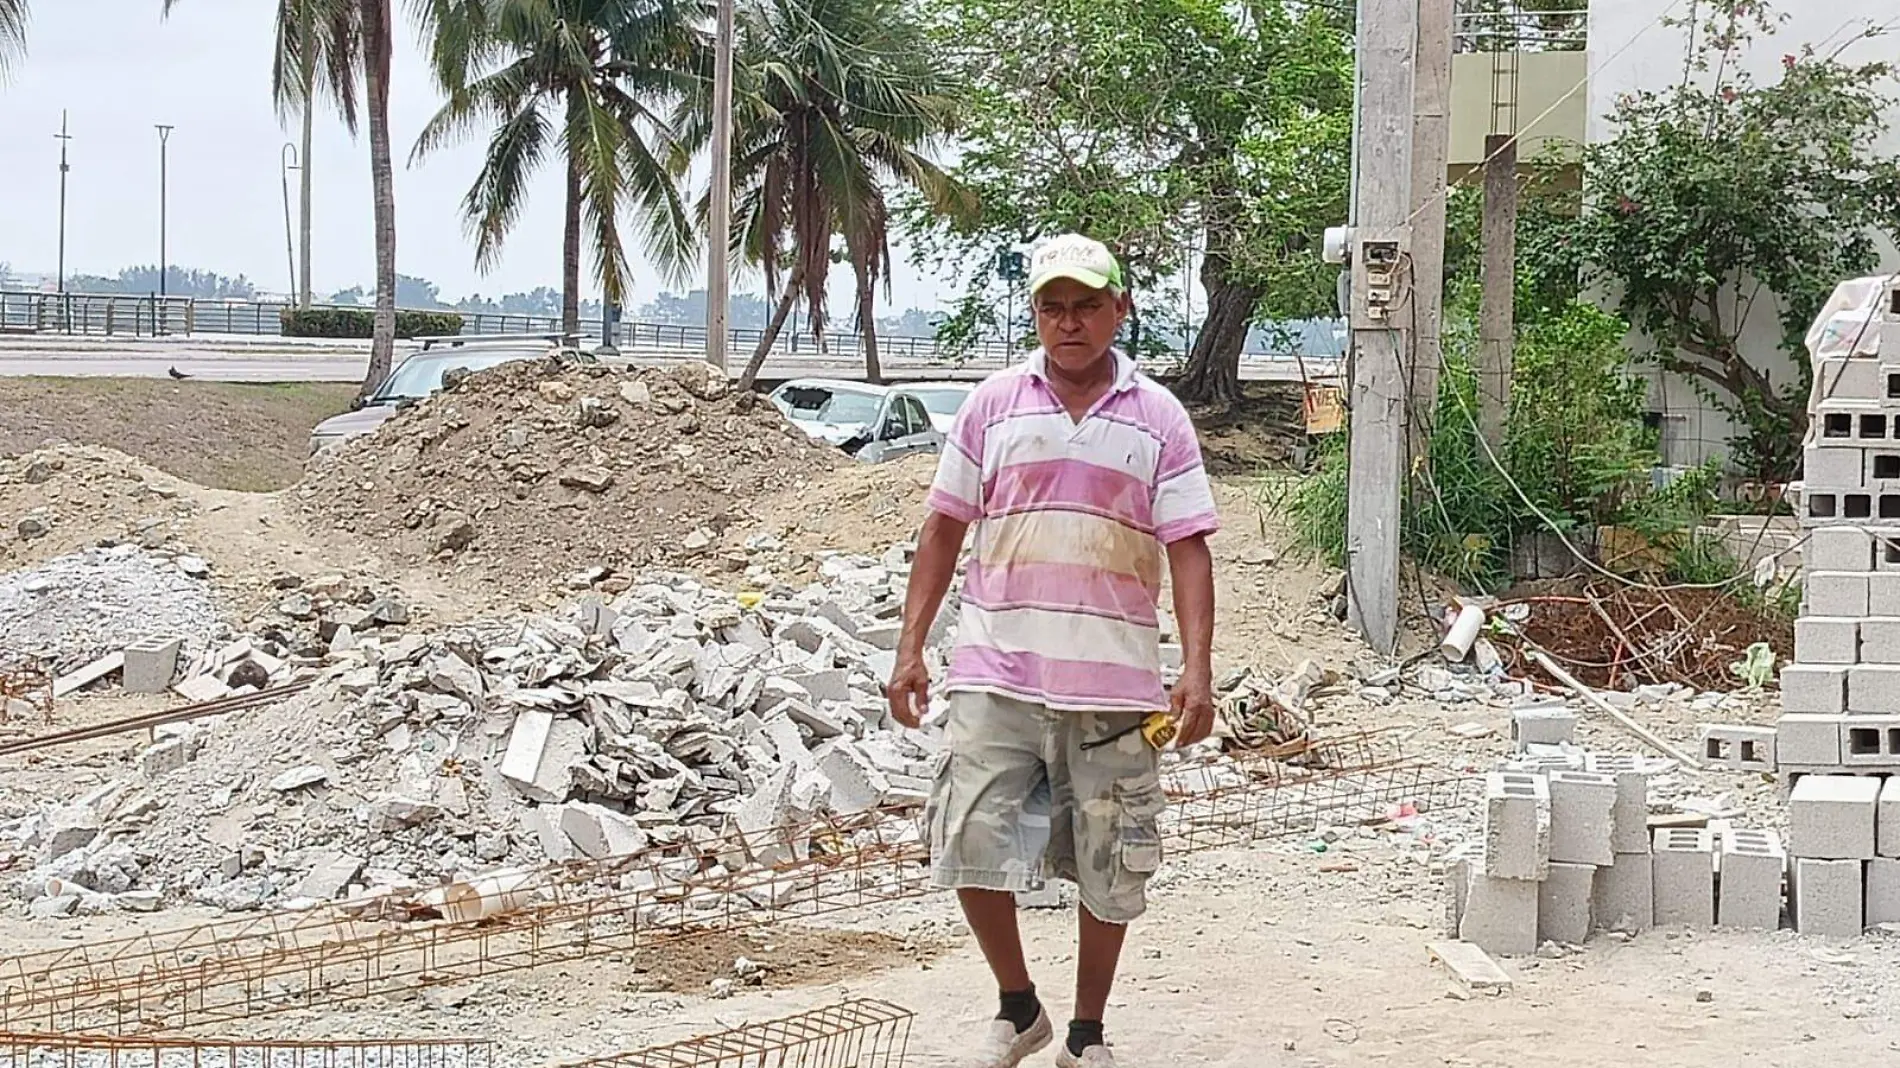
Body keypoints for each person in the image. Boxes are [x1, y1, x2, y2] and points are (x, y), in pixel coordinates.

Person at [886, 233, 1220, 1068]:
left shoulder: (1159, 418)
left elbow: (1188, 547)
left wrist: (1197, 669)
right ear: (1036, 313)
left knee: (1114, 857)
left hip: (1115, 685)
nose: (1068, 322)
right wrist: (911, 646)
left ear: (1120, 309)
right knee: (967, 839)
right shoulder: (993, 405)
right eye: (1052, 306)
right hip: (997, 672)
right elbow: (943, 529)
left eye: (1086, 305)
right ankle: (1017, 1004)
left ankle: (1086, 1032)